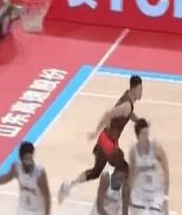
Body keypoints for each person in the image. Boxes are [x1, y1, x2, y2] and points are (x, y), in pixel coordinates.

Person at [58, 75, 143, 203]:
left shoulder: (126, 99)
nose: (141, 92)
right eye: (140, 89)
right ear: (134, 89)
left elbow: (125, 114)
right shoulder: (127, 106)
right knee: (125, 169)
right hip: (109, 143)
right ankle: (115, 195)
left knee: (96, 172)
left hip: (104, 139)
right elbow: (108, 113)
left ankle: (68, 186)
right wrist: (95, 131)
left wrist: (138, 121)